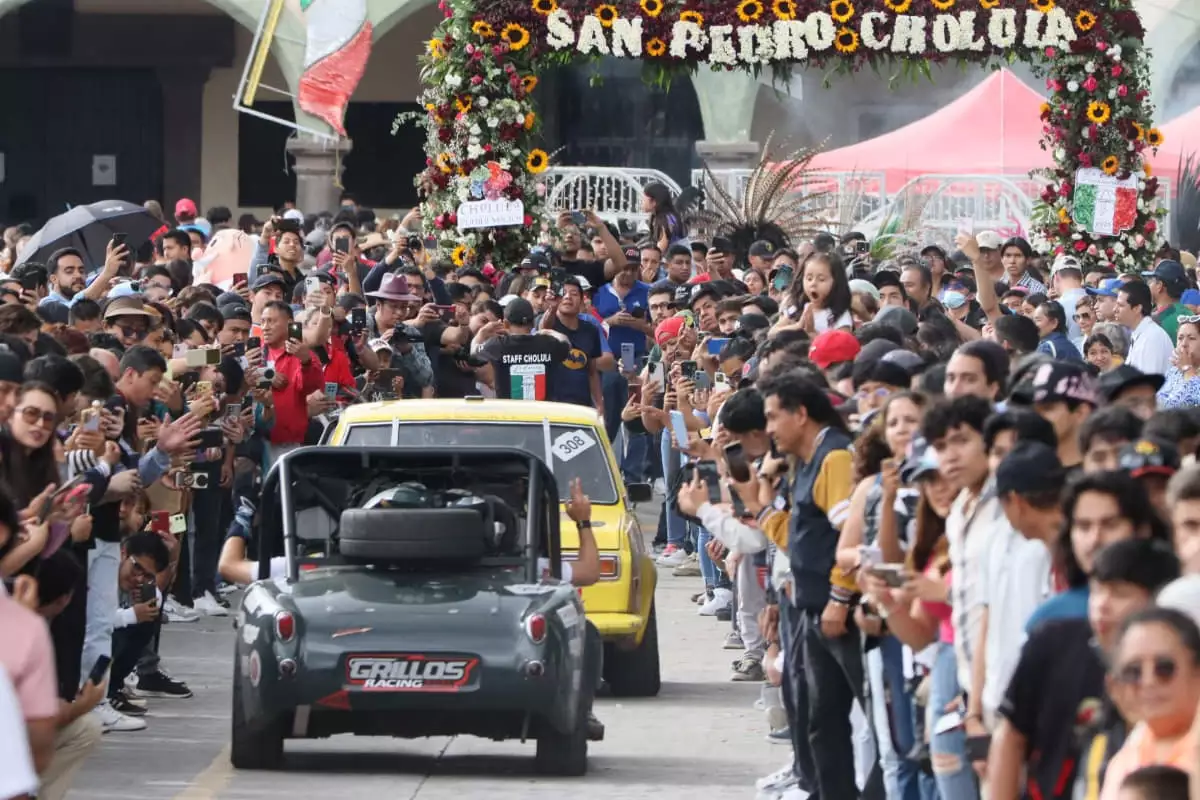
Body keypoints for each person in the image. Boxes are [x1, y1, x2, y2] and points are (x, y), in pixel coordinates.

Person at [989, 539, 1180, 800]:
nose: (1102, 605)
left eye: (1120, 593)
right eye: (1097, 590)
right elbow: (1011, 735)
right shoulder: (1052, 641)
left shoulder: (1172, 672)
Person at [1099, 607, 1200, 799]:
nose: (1148, 681)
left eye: (1164, 668)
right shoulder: (1121, 765)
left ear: (1197, 672)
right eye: (1133, 671)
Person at [1116, 281, 1174, 375]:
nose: (1115, 309)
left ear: (1137, 308)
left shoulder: (1152, 338)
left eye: (1120, 305)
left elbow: (1149, 382)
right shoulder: (1142, 334)